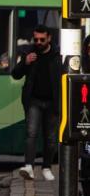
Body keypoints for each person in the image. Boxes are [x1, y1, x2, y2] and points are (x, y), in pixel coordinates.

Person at [12, 24, 60, 181]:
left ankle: (46, 167)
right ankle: (29, 166)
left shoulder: (57, 55)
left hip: (52, 102)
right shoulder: (29, 53)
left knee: (51, 137)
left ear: (49, 39)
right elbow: (16, 74)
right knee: (31, 133)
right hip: (34, 101)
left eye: (42, 39)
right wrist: (25, 62)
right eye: (36, 39)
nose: (38, 42)